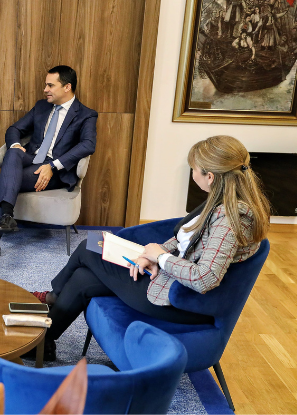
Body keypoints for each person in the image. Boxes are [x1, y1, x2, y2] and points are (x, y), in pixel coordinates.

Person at [30, 135, 270, 361]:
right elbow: (187, 238)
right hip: (170, 278)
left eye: (194, 169)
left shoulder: (230, 218)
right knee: (83, 276)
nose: (192, 173)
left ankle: (53, 297)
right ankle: (44, 343)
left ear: (210, 177)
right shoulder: (222, 200)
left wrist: (161, 257)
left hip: (181, 300)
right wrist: (151, 255)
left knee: (88, 247)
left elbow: (205, 278)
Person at [0, 65, 97, 266]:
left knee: (7, 179)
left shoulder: (85, 114)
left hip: (56, 172)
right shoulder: (42, 107)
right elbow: (14, 129)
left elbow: (88, 145)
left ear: (67, 87)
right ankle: (6, 215)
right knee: (13, 152)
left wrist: (53, 166)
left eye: (50, 85)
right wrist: (15, 145)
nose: (45, 89)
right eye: (46, 85)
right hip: (32, 158)